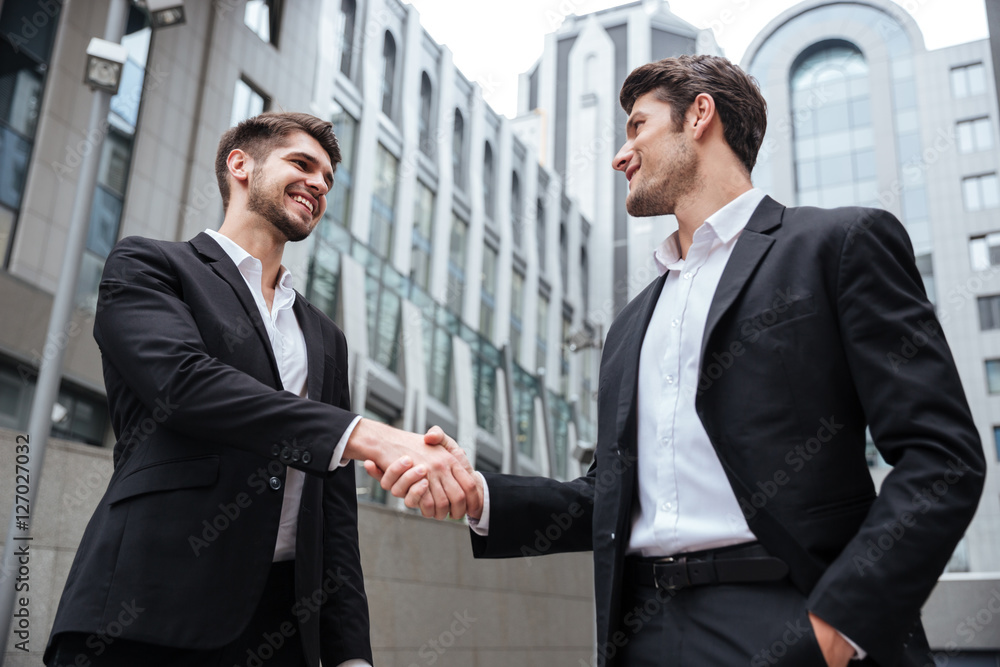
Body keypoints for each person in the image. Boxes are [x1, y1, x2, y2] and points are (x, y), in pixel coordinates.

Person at [373, 55, 986, 667]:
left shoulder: (839, 244)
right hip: (642, 630)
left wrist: (838, 628)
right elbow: (609, 497)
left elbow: (942, 456)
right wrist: (478, 494)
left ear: (700, 115)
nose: (620, 155)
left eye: (637, 126)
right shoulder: (630, 323)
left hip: (788, 613)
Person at [44, 111, 477, 667]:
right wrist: (369, 435)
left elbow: (332, 507)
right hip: (144, 612)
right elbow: (184, 385)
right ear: (240, 165)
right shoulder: (151, 265)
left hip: (282, 631)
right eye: (302, 164)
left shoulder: (325, 337)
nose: (319, 184)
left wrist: (351, 655)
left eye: (328, 178)